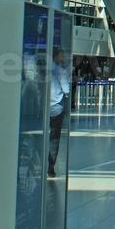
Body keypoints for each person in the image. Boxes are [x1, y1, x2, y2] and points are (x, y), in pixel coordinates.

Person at [48, 48, 71, 178]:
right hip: (56, 107)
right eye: (61, 56)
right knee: (54, 137)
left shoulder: (42, 70)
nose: (62, 59)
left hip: (43, 108)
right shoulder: (61, 71)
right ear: (56, 57)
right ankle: (50, 166)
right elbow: (66, 89)